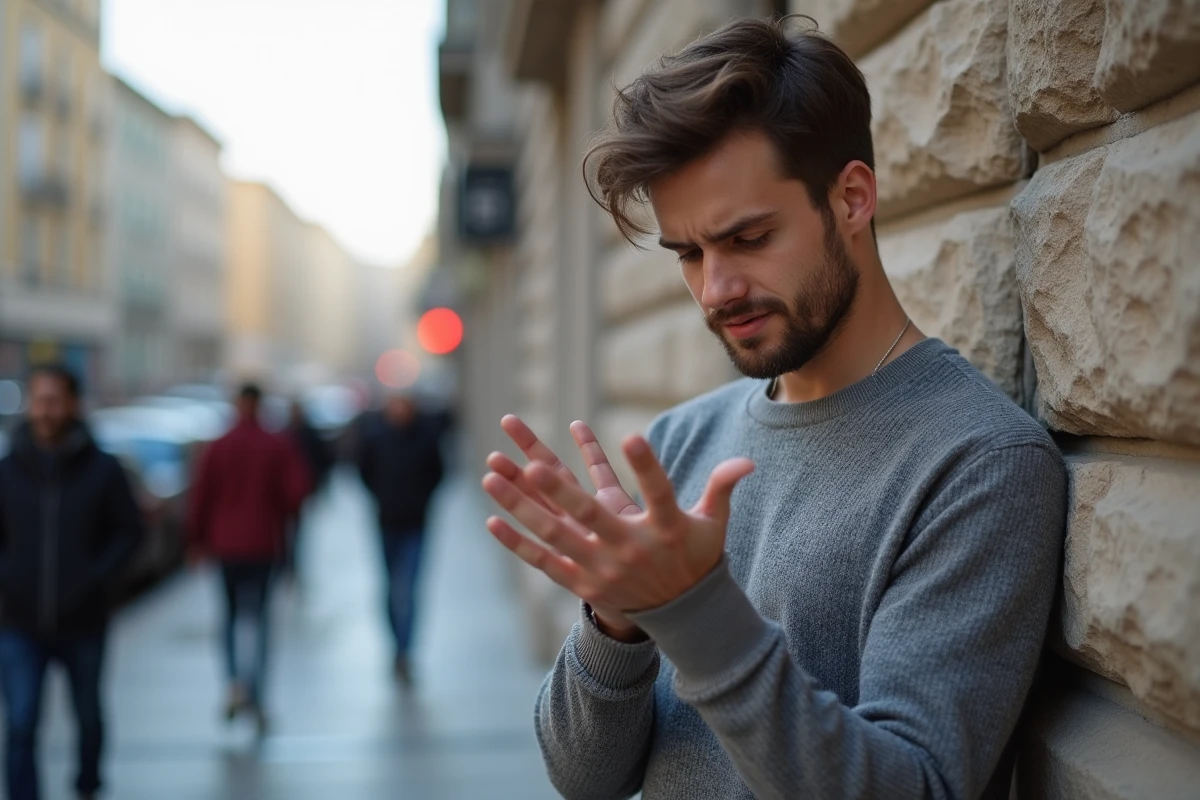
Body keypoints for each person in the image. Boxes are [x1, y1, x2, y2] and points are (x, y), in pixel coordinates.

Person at [480, 16, 1068, 800]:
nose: (716, 289)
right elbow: (583, 779)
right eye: (689, 253)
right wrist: (615, 622)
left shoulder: (980, 463)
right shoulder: (683, 440)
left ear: (852, 199)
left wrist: (694, 614)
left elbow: (914, 786)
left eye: (749, 237)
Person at [0, 364, 144, 800]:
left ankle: (87, 785)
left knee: (88, 717)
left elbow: (130, 532)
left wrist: (96, 577)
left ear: (74, 405)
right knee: (22, 721)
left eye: (55, 401)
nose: (45, 410)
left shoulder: (102, 469)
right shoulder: (7, 471)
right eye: (39, 400)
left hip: (84, 620)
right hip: (19, 622)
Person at [188, 383, 310, 732]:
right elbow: (297, 492)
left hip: (225, 547)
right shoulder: (276, 444)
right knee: (258, 620)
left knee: (228, 617)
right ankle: (255, 691)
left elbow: (200, 497)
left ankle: (233, 683)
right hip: (262, 546)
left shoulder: (218, 446)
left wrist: (196, 541)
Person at [354, 393, 446, 685]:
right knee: (391, 588)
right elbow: (363, 472)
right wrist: (382, 497)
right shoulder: (376, 437)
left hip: (416, 524)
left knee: (409, 588)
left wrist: (421, 500)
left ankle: (405, 651)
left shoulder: (426, 437)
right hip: (386, 523)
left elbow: (439, 473)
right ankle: (396, 645)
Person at [281, 400, 333, 585]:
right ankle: (288, 562)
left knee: (294, 529)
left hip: (299, 489)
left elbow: (322, 459)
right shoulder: (285, 433)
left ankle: (290, 562)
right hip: (291, 491)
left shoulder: (298, 433)